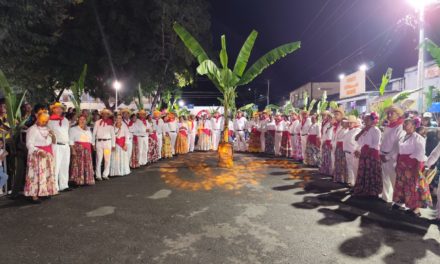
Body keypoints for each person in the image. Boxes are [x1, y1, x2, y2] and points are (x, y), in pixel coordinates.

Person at [393, 118, 432, 217]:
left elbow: (420, 155)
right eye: (404, 123)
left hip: (412, 166)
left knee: (413, 186)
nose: (404, 124)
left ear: (414, 126)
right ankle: (400, 202)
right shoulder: (403, 136)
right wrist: (397, 164)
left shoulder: (418, 138)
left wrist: (415, 170)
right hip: (402, 165)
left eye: (407, 123)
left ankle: (415, 209)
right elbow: (399, 152)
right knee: (401, 185)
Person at [25, 110, 58, 203]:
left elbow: (53, 142)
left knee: (46, 175)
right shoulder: (32, 129)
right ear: (38, 119)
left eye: (46, 120)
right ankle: (34, 195)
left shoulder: (48, 129)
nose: (45, 122)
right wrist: (38, 151)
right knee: (35, 176)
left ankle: (44, 192)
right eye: (43, 120)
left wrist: (54, 137)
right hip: (37, 156)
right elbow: (29, 144)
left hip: (47, 154)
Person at [353, 112, 383, 198]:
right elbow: (357, 139)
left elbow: (375, 144)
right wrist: (363, 130)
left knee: (371, 172)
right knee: (364, 172)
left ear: (374, 120)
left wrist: (366, 153)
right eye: (365, 119)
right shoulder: (365, 130)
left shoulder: (376, 130)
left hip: (372, 154)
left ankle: (373, 191)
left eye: (368, 119)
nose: (365, 121)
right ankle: (363, 189)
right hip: (364, 153)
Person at [380, 106, 405, 203]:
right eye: (388, 113)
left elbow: (398, 145)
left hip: (392, 157)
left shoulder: (400, 127)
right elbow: (383, 141)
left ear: (398, 115)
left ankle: (397, 200)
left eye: (392, 113)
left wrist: (388, 156)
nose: (389, 115)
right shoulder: (388, 126)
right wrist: (381, 153)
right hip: (384, 155)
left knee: (394, 179)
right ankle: (386, 197)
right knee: (385, 178)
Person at [47, 102, 71, 192]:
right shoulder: (50, 120)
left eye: (60, 108)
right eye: (56, 108)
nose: (59, 110)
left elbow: (67, 131)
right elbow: (49, 133)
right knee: (56, 166)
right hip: (56, 145)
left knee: (65, 165)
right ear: (53, 109)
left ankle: (64, 185)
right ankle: (54, 186)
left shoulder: (65, 120)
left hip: (65, 145)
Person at [69, 114, 95, 186]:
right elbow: (71, 140)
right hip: (78, 149)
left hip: (87, 149)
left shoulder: (88, 129)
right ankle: (77, 180)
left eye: (84, 119)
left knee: (86, 164)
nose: (82, 121)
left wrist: (92, 146)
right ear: (78, 120)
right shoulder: (73, 129)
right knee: (78, 165)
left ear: (86, 121)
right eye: (80, 119)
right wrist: (73, 150)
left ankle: (86, 180)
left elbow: (90, 139)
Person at [93, 109, 116, 180]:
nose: (105, 115)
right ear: (102, 114)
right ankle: (98, 175)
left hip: (107, 143)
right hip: (99, 142)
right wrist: (93, 143)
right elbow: (94, 133)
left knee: (107, 159)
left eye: (107, 114)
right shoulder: (97, 122)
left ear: (108, 115)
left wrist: (113, 145)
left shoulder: (111, 123)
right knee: (98, 159)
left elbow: (113, 135)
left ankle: (105, 174)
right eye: (104, 114)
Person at [343, 115, 362, 187]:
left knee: (355, 168)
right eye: (348, 123)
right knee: (350, 168)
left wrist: (358, 150)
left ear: (355, 123)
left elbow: (360, 142)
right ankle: (351, 182)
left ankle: (357, 184)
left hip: (353, 152)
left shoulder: (358, 131)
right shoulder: (348, 131)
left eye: (351, 123)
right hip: (347, 151)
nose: (349, 124)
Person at [333, 118, 348, 183]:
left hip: (342, 147)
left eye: (344, 122)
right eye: (342, 122)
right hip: (338, 147)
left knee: (342, 163)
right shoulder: (341, 129)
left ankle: (343, 179)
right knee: (338, 162)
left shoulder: (347, 130)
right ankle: (338, 177)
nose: (342, 123)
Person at [319, 111, 333, 175]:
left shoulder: (329, 124)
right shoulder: (324, 123)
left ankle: (328, 170)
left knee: (328, 156)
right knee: (324, 156)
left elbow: (329, 134)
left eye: (325, 115)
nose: (323, 116)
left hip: (328, 141)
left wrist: (325, 141)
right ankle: (324, 169)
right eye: (322, 115)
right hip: (324, 140)